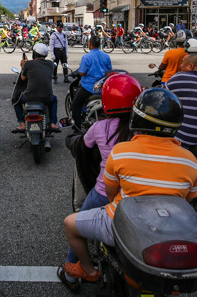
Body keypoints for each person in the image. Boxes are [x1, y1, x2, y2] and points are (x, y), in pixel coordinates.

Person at [61, 88, 197, 283]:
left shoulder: (121, 152)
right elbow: (189, 200)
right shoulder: (190, 159)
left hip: (122, 220)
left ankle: (87, 271)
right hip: (170, 228)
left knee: (71, 223)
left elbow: (110, 193)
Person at [57, 74, 142, 291]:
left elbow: (83, 145)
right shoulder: (143, 130)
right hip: (139, 195)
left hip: (105, 192)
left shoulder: (100, 128)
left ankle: (77, 273)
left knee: (76, 224)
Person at [12, 43, 60, 133]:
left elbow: (23, 78)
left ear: (34, 53)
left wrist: (23, 66)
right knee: (54, 100)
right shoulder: (50, 64)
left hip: (29, 96)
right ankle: (53, 123)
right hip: (47, 97)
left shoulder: (28, 64)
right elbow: (39, 68)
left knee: (16, 101)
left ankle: (22, 124)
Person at [71, 36, 112, 129]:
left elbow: (81, 72)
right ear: (100, 44)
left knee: (75, 105)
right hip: (103, 87)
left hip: (89, 87)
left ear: (89, 44)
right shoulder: (106, 56)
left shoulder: (86, 57)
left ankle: (77, 128)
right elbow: (110, 71)